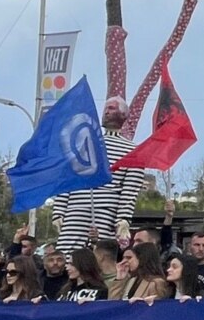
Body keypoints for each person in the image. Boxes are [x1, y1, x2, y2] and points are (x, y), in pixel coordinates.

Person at [53, 97, 145, 253]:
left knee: (100, 255)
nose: (106, 112)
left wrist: (123, 218)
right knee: (68, 255)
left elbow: (130, 189)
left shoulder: (133, 152)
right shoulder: (84, 143)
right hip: (75, 207)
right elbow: (67, 177)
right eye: (106, 108)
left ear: (124, 115)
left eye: (112, 108)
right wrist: (59, 209)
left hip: (106, 211)